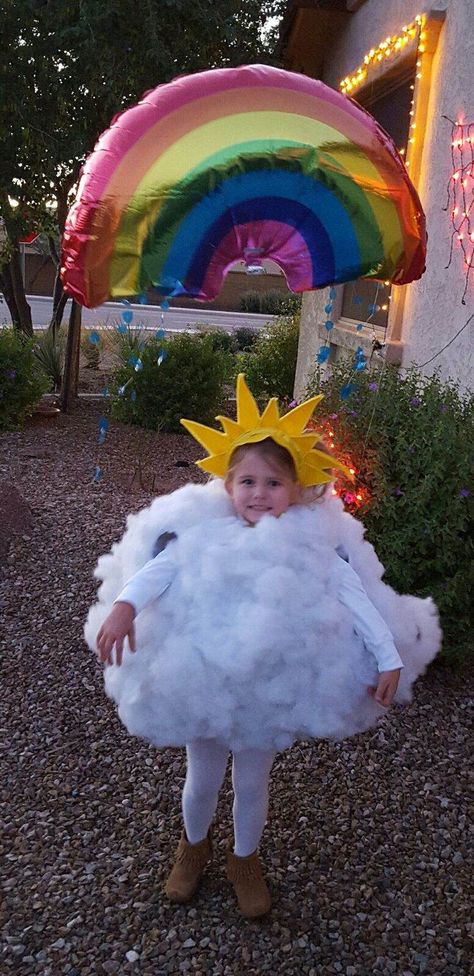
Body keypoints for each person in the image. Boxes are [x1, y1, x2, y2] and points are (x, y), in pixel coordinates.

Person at [87, 375, 441, 919]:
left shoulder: (311, 545)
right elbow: (161, 570)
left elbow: (356, 600)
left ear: (296, 489)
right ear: (228, 486)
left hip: (267, 689)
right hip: (205, 678)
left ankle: (244, 860)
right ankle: (193, 847)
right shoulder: (203, 533)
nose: (258, 493)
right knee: (202, 775)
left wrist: (388, 655)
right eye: (247, 481)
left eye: (273, 483)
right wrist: (125, 606)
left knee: (252, 780)